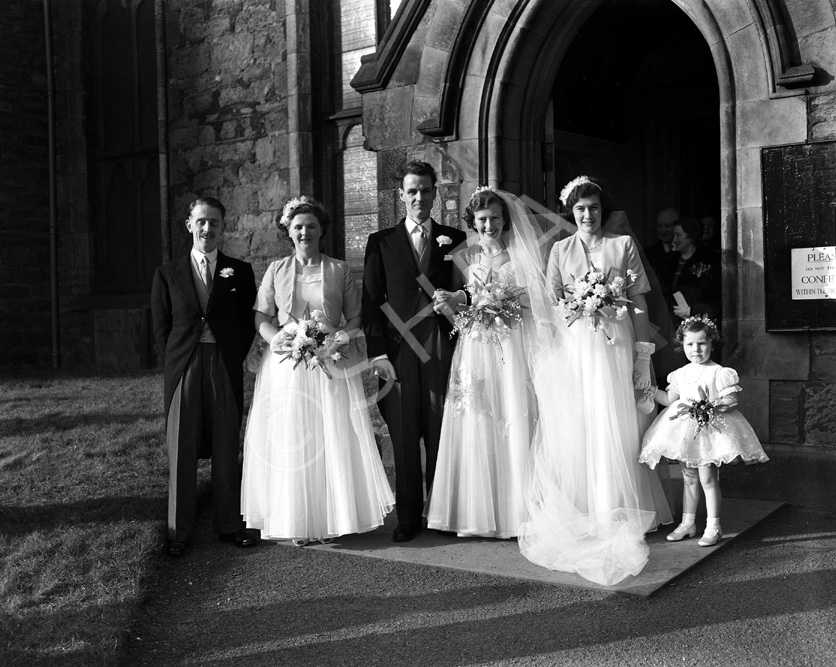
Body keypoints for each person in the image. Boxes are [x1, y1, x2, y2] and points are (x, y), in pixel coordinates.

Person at [519, 176, 672, 586]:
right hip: (577, 346)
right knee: (583, 421)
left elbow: (638, 298)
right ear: (572, 211)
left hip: (616, 343)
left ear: (603, 211)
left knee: (618, 418)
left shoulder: (621, 246)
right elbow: (553, 302)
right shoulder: (560, 250)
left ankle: (621, 505)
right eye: (581, 209)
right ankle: (587, 507)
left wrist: (642, 352)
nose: (587, 216)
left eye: (594, 209)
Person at [240, 197, 394, 545]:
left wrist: (341, 336)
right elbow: (261, 317)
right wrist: (277, 338)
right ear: (288, 232)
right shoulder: (277, 270)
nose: (305, 232)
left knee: (331, 435)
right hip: (287, 366)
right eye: (298, 227)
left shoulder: (338, 270)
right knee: (293, 438)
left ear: (321, 229)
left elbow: (355, 316)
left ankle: (332, 517)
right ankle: (297, 519)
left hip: (331, 363)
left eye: (311, 226)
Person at [362, 161, 468, 542]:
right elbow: (371, 303)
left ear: (435, 193)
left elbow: (471, 289)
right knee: (404, 434)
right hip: (399, 349)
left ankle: (440, 512)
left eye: (425, 189)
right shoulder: (381, 242)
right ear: (401, 195)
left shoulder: (454, 238)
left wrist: (457, 299)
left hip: (442, 344)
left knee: (443, 429)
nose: (419, 197)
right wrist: (377, 355)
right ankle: (407, 518)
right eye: (412, 191)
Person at [425, 188, 537, 538]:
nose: (488, 224)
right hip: (475, 346)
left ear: (505, 221)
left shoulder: (520, 257)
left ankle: (517, 511)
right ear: (473, 223)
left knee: (511, 414)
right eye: (482, 219)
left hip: (510, 345)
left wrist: (504, 305)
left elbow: (534, 305)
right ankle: (476, 512)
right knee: (477, 418)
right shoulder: (467, 260)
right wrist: (453, 301)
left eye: (494, 218)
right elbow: (465, 301)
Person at [151, 197, 257, 557]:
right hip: (184, 365)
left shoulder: (239, 272)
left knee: (227, 442)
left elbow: (246, 323)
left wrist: (230, 353)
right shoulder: (167, 273)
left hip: (223, 363)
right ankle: (179, 531)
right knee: (181, 445)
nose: (207, 229)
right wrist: (180, 358)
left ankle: (228, 524)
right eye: (201, 222)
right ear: (189, 225)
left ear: (223, 227)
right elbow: (161, 327)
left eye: (214, 222)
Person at [639, 316, 768, 546]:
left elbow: (731, 400)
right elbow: (669, 399)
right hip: (685, 431)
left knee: (708, 479)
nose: (696, 349)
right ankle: (688, 523)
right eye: (690, 344)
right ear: (682, 345)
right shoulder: (679, 373)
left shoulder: (719, 372)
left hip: (710, 429)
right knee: (689, 477)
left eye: (702, 343)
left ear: (712, 344)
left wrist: (713, 404)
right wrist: (647, 388)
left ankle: (713, 526)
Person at [643, 207, 678, 289]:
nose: (663, 231)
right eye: (659, 226)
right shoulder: (647, 254)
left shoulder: (684, 251)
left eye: (667, 226)